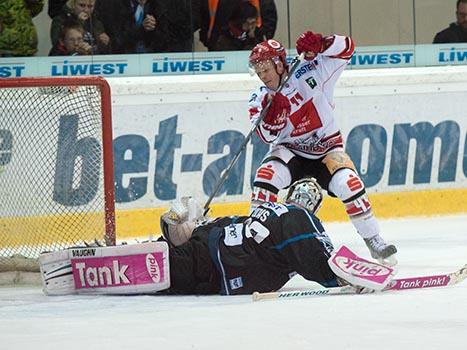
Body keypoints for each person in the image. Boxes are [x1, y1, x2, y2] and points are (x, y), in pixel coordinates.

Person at [246, 32, 398, 265]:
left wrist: (323, 43)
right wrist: (273, 117)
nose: (262, 76)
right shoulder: (260, 97)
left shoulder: (311, 69)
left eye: (265, 69)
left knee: (350, 184)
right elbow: (266, 137)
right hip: (290, 151)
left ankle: (374, 240)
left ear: (279, 64)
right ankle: (255, 244)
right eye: (258, 71)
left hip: (327, 149)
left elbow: (348, 48)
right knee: (265, 178)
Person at [160, 178, 340, 295]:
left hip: (220, 264)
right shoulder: (293, 217)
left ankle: (155, 250)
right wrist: (338, 275)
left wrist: (202, 224)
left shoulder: (274, 213)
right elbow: (319, 259)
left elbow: (313, 251)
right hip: (215, 257)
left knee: (175, 270)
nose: (302, 199)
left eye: (308, 197)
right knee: (174, 264)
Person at [95, 0, 170, 54]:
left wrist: (154, 28)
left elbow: (166, 39)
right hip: (124, 56)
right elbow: (117, 39)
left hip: (152, 56)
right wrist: (141, 28)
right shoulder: (115, 5)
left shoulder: (158, 6)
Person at [199, 0, 277, 51]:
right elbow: (204, 17)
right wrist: (210, 41)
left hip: (254, 44)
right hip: (221, 45)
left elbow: (269, 19)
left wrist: (258, 36)